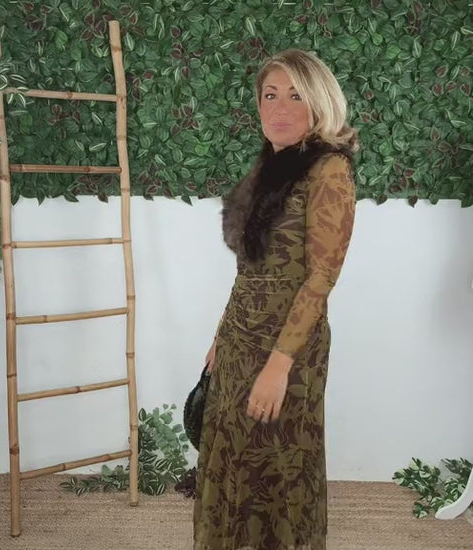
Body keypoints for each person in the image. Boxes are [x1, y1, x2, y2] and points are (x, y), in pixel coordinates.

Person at [193, 49, 359, 550]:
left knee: (281, 469)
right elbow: (250, 269)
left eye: (295, 95)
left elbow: (321, 276)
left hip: (288, 349)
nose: (280, 107)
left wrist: (279, 366)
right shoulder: (270, 167)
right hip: (240, 340)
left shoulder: (328, 170)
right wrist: (221, 336)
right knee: (232, 461)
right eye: (270, 95)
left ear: (320, 103)